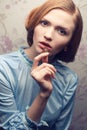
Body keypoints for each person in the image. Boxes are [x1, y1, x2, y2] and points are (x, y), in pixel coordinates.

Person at [0, 0, 83, 129]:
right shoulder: (3, 67)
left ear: (69, 43)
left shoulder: (69, 79)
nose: (48, 35)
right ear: (34, 24)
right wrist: (43, 95)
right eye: (44, 23)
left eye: (62, 31)